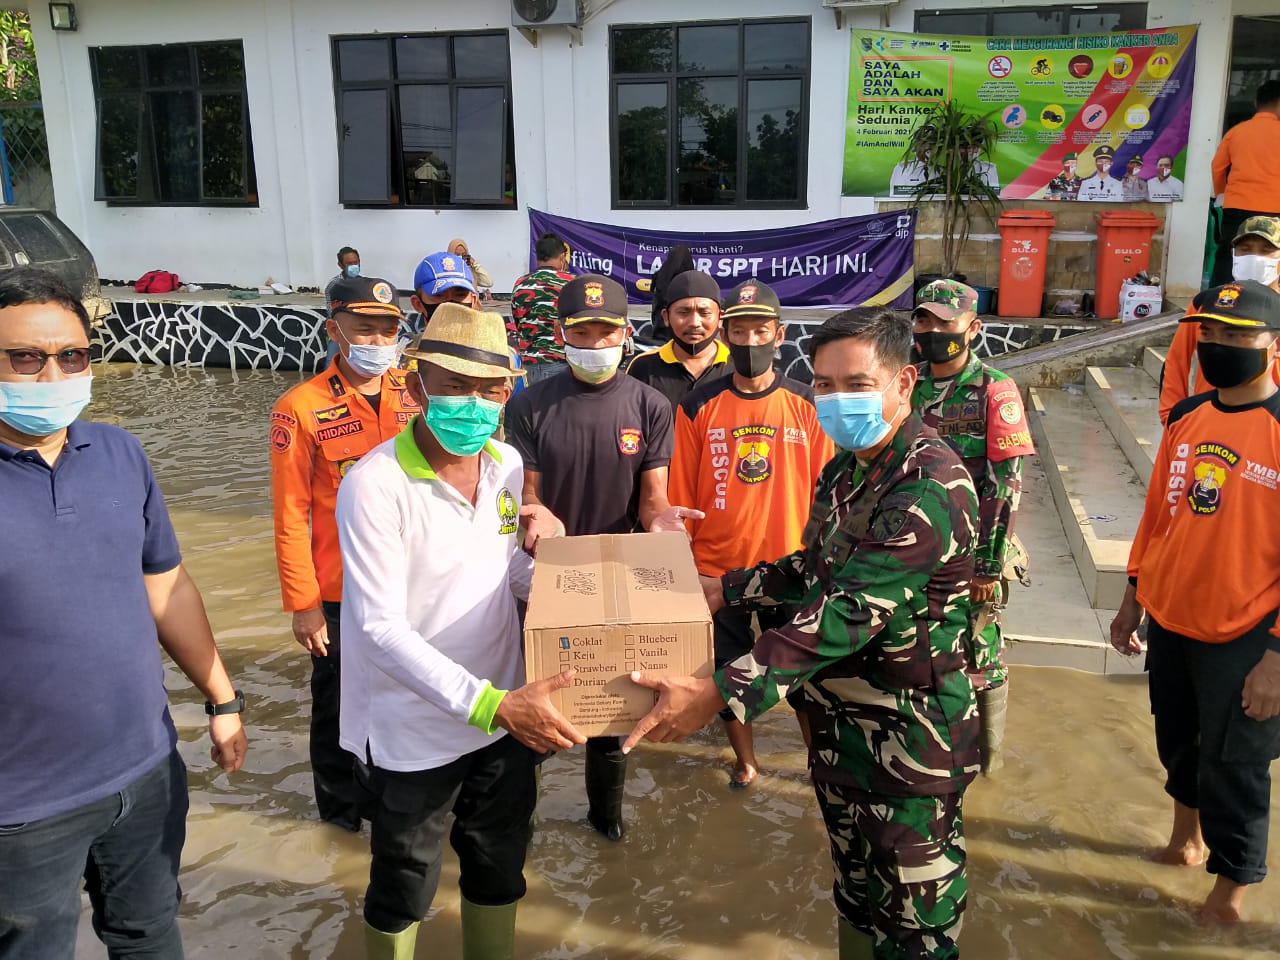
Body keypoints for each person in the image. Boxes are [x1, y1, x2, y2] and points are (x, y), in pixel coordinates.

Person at [624, 307, 981, 960]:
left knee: (915, 931)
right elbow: (811, 568)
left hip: (909, 746)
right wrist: (724, 588)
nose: (836, 399)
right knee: (855, 894)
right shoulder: (848, 470)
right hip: (840, 734)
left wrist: (717, 694)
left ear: (904, 382)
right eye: (823, 383)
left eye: (855, 384)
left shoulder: (926, 488)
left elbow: (842, 614)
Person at [0, 268, 248, 958]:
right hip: (20, 809)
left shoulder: (118, 454)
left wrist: (223, 699)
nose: (51, 375)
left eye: (71, 356)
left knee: (149, 936)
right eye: (25, 357)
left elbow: (166, 587)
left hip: (144, 775)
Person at [336, 303, 584, 960]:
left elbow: (504, 570)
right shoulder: (374, 485)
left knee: (499, 869)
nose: (472, 404)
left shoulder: (503, 464)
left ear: (508, 392)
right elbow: (379, 627)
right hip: (412, 731)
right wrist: (490, 703)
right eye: (454, 386)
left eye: (488, 389)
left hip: (507, 719)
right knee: (404, 884)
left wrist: (573, 580)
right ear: (417, 387)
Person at [505, 273, 701, 841]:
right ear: (562, 334)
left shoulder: (649, 405)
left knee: (613, 711)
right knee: (539, 699)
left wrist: (662, 521)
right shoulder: (529, 404)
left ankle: (604, 822)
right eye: (581, 331)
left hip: (620, 573)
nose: (594, 343)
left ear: (625, 334)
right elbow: (529, 492)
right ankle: (517, 822)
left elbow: (654, 498)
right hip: (551, 571)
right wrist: (534, 512)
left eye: (605, 331)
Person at [1111, 279, 1280, 925]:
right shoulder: (1187, 418)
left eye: (1239, 335)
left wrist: (1276, 659)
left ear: (1272, 343)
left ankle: (1230, 894)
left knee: (1237, 765)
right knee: (1178, 743)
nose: (1221, 345)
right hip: (1173, 619)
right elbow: (1158, 518)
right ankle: (1186, 837)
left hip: (1245, 633)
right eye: (1210, 332)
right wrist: (1133, 598)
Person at [668, 279, 833, 788]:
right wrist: (686, 569)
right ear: (724, 333)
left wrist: (822, 561)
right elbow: (681, 498)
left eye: (759, 329)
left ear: (779, 334)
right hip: (717, 571)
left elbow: (827, 493)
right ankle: (746, 761)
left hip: (791, 569)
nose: (748, 341)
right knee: (728, 674)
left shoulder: (808, 406)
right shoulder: (698, 405)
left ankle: (816, 760)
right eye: (738, 330)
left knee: (806, 678)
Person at [270, 274, 420, 831]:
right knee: (335, 707)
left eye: (389, 329)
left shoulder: (419, 392)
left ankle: (397, 804)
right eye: (365, 328)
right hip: (340, 591)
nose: (379, 340)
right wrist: (303, 603)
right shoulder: (299, 408)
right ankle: (339, 819)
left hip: (411, 582)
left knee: (406, 696)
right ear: (334, 330)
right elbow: (290, 514)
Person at [911, 279, 1035, 773]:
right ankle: (931, 754)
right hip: (914, 547)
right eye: (925, 320)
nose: (934, 330)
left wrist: (985, 566)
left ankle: (988, 765)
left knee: (980, 652)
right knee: (919, 647)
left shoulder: (993, 390)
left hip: (973, 556)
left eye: (946, 321)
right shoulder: (907, 382)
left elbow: (1006, 484)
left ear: (973, 328)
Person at [1158, 217, 1280, 425]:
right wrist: (1171, 415)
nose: (1254, 257)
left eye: (1266, 250)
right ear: (1233, 254)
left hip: (1268, 426)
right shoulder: (1209, 304)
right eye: (1245, 249)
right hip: (1208, 419)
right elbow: (1177, 360)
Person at [627, 269, 731, 410]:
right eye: (683, 312)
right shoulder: (643, 367)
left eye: (704, 313)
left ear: (720, 318)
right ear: (666, 317)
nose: (694, 322)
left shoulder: (737, 366)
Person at [1210, 80, 1280, 284]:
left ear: (1257, 103)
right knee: (1273, 258)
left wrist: (1222, 194)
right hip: (1276, 209)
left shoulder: (1236, 132)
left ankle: (1217, 303)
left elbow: (1217, 167)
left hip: (1237, 206)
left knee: (1228, 257)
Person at [508, 232, 574, 383]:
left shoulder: (520, 284)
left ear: (537, 259)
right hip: (560, 362)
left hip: (529, 365)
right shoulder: (571, 283)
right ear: (562, 258)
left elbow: (518, 323)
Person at [410, 251, 480, 333]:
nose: (450, 305)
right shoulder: (409, 345)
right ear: (417, 304)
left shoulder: (489, 344)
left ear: (474, 301)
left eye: (460, 295)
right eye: (439, 295)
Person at [647, 244, 695, 341]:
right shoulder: (687, 278)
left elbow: (653, 289)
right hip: (678, 323)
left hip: (659, 320)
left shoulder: (661, 273)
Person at [324, 246, 361, 361]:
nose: (354, 266)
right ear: (340, 265)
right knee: (332, 365)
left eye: (356, 262)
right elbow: (331, 313)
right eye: (350, 264)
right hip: (339, 332)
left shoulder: (363, 284)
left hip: (359, 332)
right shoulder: (334, 285)